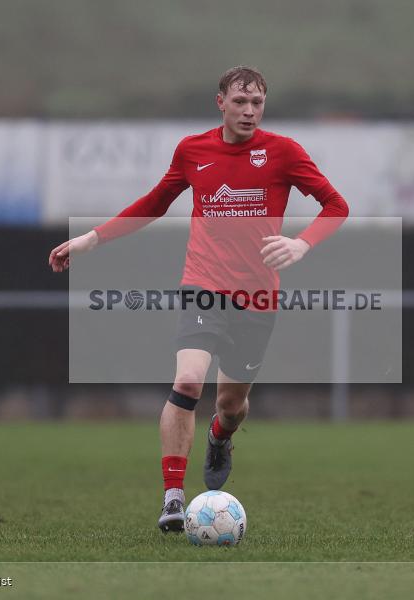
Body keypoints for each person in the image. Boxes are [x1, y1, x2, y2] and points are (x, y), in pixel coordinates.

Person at [49, 66, 348, 533]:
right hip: (203, 286)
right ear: (221, 103)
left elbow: (336, 206)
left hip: (257, 297)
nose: (249, 111)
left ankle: (219, 436)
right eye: (240, 102)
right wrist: (90, 240)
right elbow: (154, 202)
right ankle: (173, 498)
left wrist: (301, 244)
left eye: (257, 103)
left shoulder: (284, 153)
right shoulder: (193, 150)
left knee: (232, 405)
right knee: (188, 382)